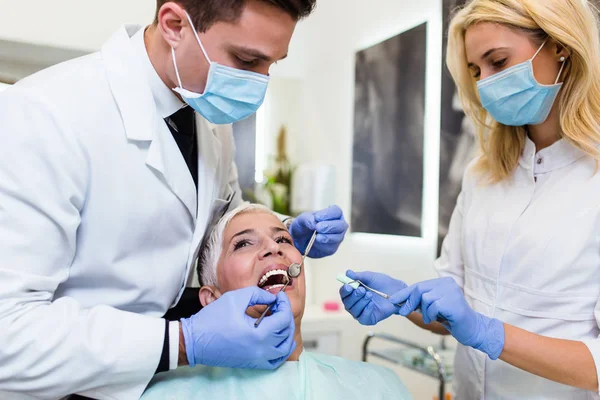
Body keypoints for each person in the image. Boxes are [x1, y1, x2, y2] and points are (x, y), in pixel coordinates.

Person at [0, 1, 350, 399]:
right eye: (247, 59)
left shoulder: (207, 116)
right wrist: (182, 341)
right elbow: (7, 333)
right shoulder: (44, 115)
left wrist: (284, 231)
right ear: (174, 25)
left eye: (272, 63)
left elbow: (209, 225)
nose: (260, 83)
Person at [341, 0, 600, 398]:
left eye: (498, 61)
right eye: (476, 71)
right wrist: (404, 301)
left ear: (560, 45)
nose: (485, 84)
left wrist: (488, 333)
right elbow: (453, 307)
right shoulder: (483, 174)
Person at [140, 202, 411, 400]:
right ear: (212, 298)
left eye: (283, 238)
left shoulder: (380, 388)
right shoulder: (166, 394)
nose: (274, 247)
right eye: (243, 244)